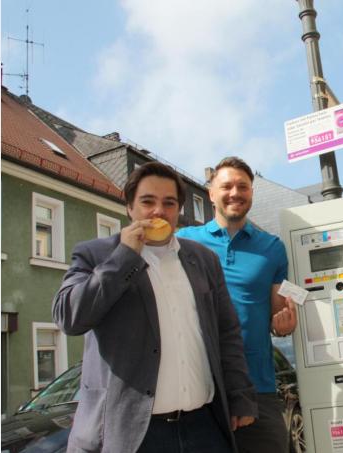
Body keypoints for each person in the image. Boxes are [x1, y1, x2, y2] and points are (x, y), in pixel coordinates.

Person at [53, 162, 257, 453]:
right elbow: (69, 317)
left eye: (169, 203)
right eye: (148, 201)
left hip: (204, 427)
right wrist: (124, 257)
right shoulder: (96, 254)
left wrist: (239, 396)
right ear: (129, 208)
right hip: (134, 434)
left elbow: (227, 332)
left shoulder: (203, 259)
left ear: (178, 211)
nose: (159, 211)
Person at [177, 156, 297, 453]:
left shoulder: (272, 248)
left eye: (243, 186)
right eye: (227, 186)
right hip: (200, 389)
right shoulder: (184, 242)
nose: (235, 193)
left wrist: (284, 324)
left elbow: (277, 312)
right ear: (211, 193)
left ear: (251, 192)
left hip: (257, 387)